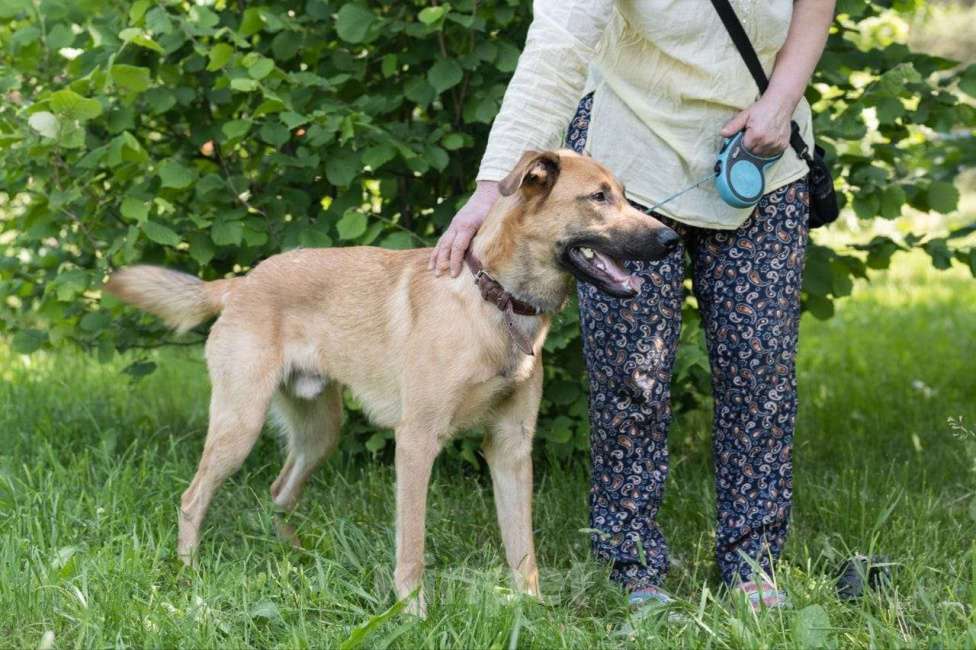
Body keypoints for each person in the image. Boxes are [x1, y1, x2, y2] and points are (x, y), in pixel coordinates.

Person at [429, 0, 836, 610]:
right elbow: (558, 47)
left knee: (762, 367)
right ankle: (632, 564)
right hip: (629, 161)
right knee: (631, 374)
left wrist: (782, 101)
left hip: (762, 152)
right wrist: (495, 189)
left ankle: (753, 564)